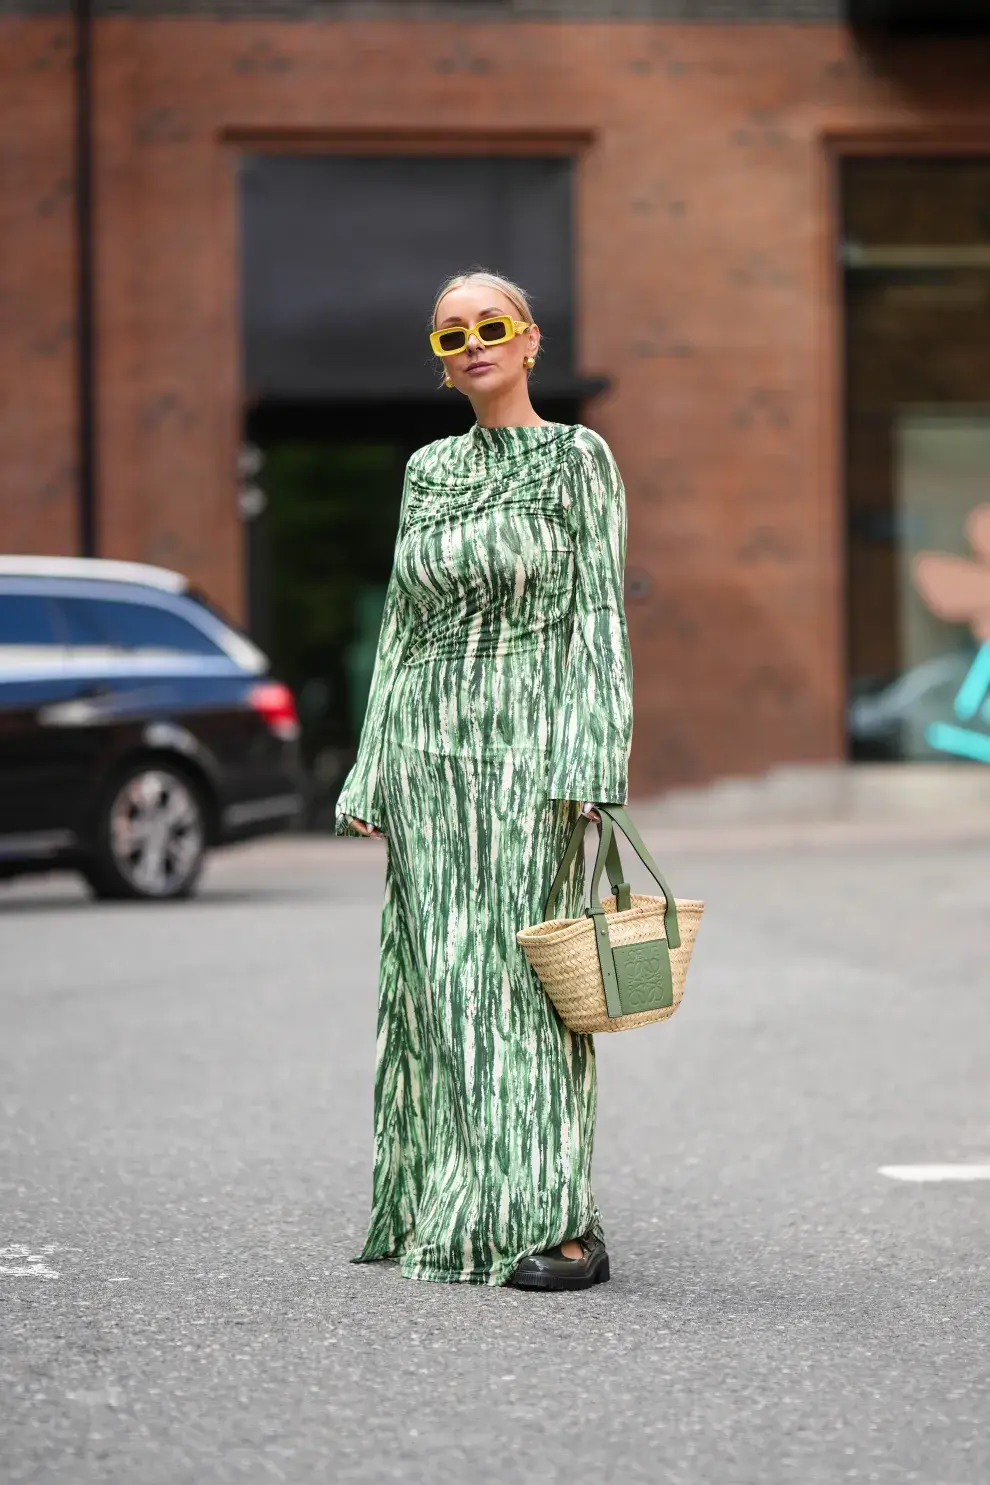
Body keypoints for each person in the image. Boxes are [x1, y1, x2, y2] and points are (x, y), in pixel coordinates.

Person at [334, 268, 634, 1289]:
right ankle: (455, 1203)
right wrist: (372, 766)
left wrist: (594, 755)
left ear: (532, 340)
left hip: (527, 766)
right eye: (451, 335)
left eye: (492, 326)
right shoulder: (426, 470)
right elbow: (404, 630)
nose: (473, 345)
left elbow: (598, 617)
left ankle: (557, 1222)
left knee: (523, 991)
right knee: (440, 989)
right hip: (426, 763)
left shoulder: (577, 460)